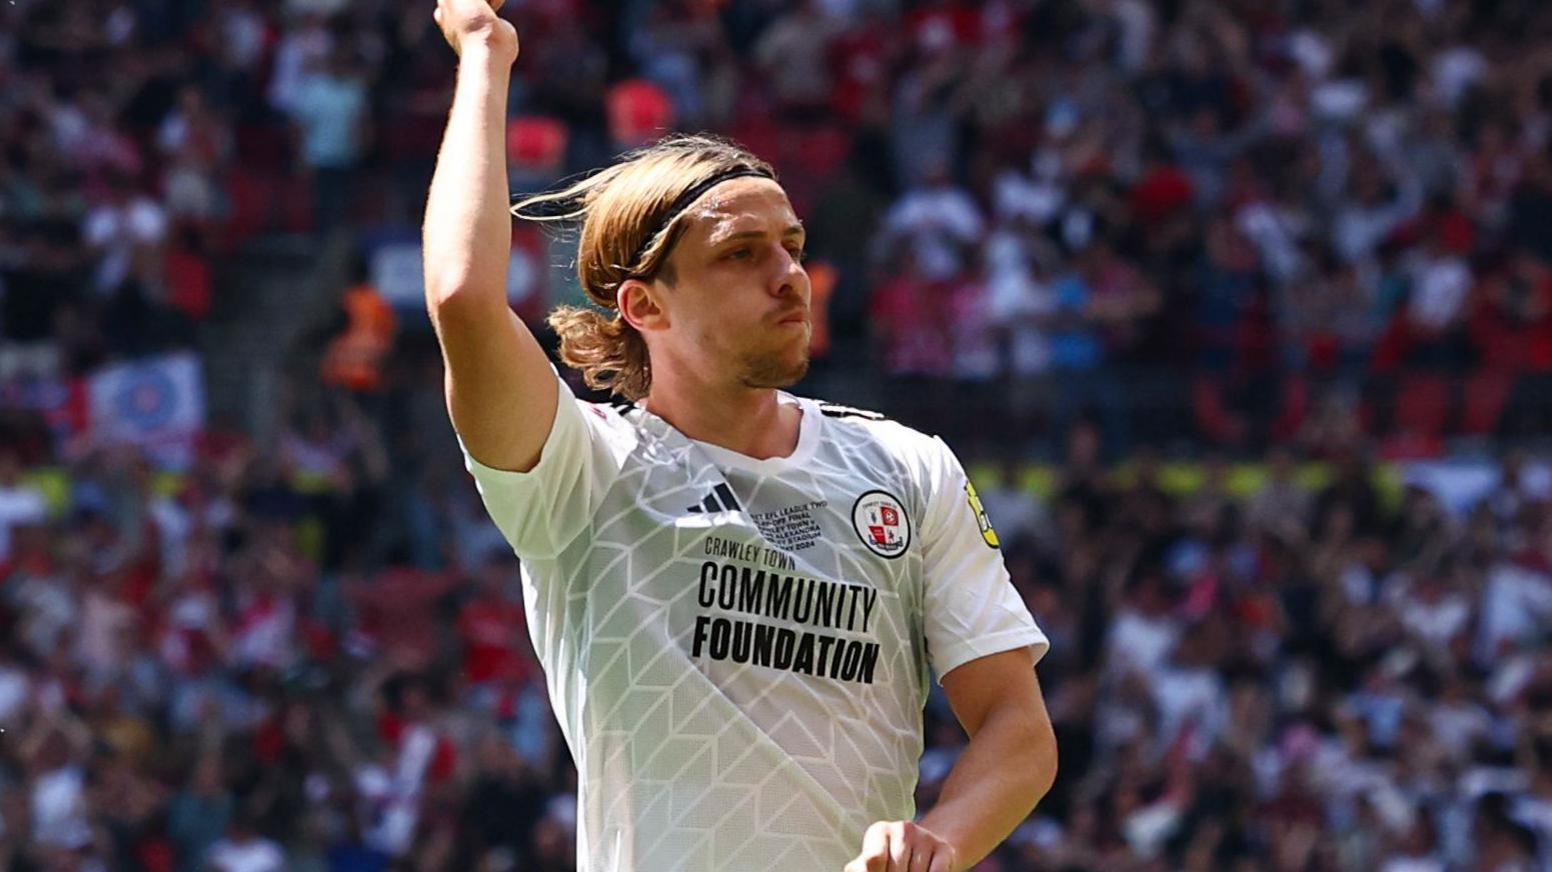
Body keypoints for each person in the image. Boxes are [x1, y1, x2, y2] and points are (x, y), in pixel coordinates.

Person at [422, 2, 1058, 870]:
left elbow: (1018, 727)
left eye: (792, 245)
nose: (790, 276)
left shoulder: (906, 467)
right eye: (741, 254)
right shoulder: (583, 469)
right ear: (644, 304)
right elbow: (463, 297)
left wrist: (940, 841)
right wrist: (486, 57)